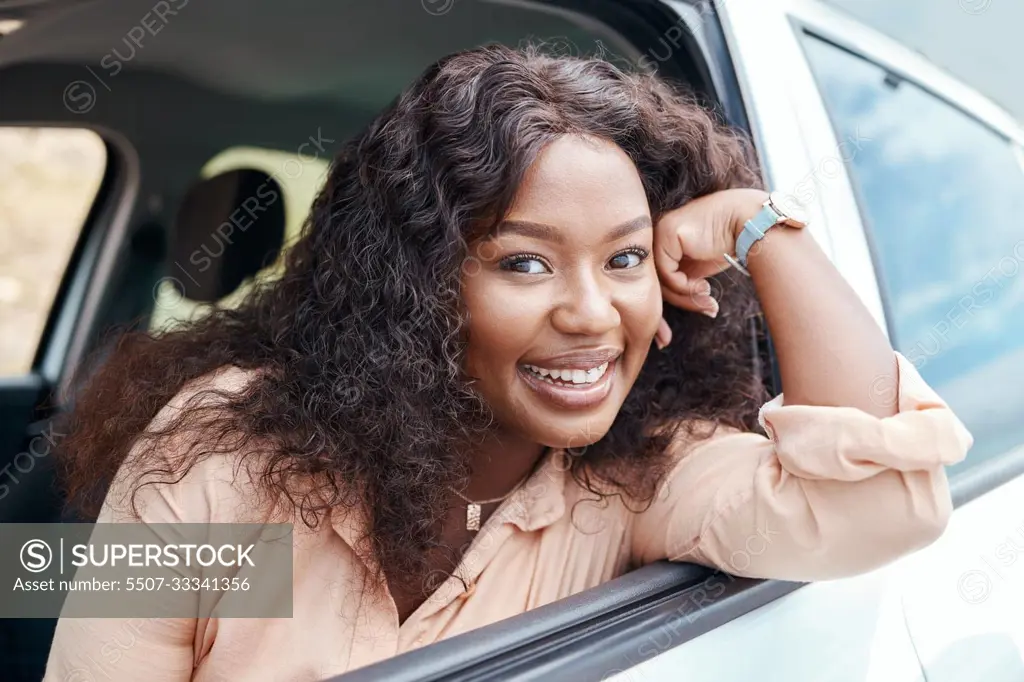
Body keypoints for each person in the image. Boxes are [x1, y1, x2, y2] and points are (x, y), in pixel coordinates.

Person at [44, 43, 973, 681]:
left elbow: (881, 501)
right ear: (415, 289)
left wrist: (760, 226)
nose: (590, 311)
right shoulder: (232, 456)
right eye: (524, 261)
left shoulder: (637, 478)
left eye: (625, 259)